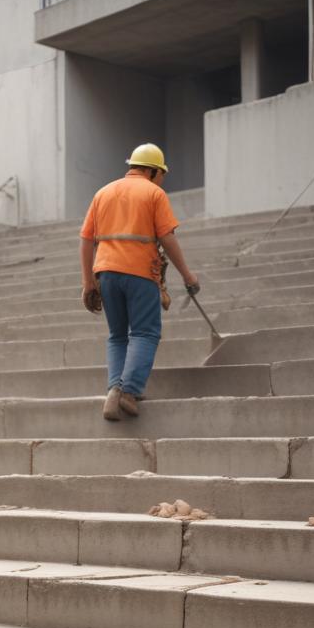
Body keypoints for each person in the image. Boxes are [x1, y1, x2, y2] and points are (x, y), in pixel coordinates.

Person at [79, 144, 199, 421]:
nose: (162, 179)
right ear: (154, 171)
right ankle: (129, 392)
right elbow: (168, 238)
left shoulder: (103, 193)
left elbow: (86, 239)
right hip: (140, 273)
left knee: (118, 335)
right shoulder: (154, 193)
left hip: (106, 273)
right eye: (162, 174)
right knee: (145, 333)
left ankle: (114, 389)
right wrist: (188, 276)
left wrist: (88, 282)